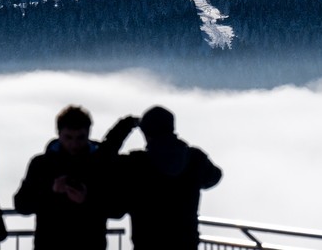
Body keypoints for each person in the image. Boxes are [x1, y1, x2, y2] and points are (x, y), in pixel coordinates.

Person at [103, 105, 222, 250]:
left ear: (146, 133)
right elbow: (215, 176)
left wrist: (124, 126)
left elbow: (103, 161)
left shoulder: (136, 164)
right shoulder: (195, 159)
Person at [13, 105, 119, 250]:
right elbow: (21, 205)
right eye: (68, 137)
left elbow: (117, 208)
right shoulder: (41, 164)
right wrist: (50, 191)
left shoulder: (101, 164)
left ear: (88, 133)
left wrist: (87, 199)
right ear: (59, 134)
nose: (74, 144)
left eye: (80, 138)